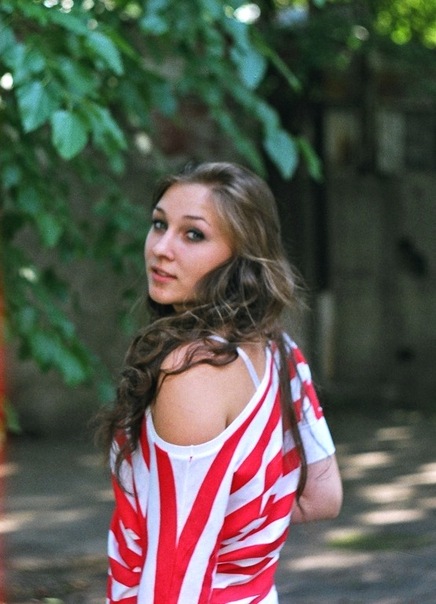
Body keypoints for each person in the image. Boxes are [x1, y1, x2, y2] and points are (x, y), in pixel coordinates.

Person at [100, 161, 342, 603]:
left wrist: (214, 525)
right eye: (159, 224)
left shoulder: (191, 372)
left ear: (240, 255)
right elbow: (322, 496)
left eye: (193, 234)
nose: (161, 248)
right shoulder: (279, 350)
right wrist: (237, 527)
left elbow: (176, 578)